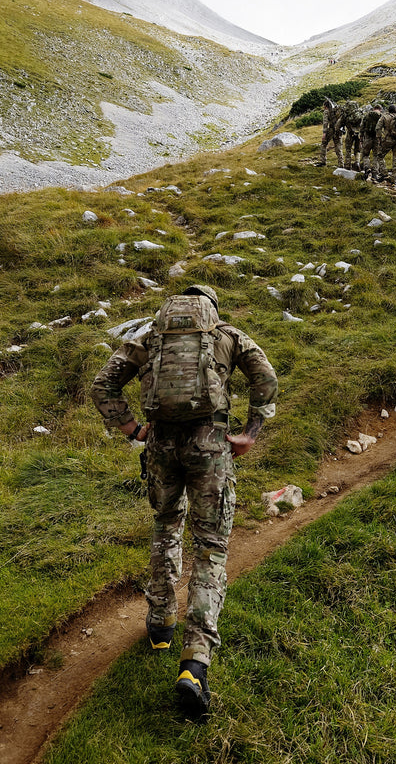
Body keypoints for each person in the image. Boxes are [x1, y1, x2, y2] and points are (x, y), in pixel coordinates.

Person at [91, 284, 278, 717]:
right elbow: (265, 378)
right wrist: (249, 433)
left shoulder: (148, 338)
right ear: (211, 307)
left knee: (166, 524)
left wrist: (133, 429)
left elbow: (104, 385)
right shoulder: (227, 335)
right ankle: (194, 663)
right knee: (210, 547)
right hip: (211, 446)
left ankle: (160, 624)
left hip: (160, 447)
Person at [376, 104, 396, 185]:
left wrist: (379, 138)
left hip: (387, 140)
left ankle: (384, 173)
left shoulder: (384, 117)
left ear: (388, 110)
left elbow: (378, 128)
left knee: (380, 156)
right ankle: (394, 178)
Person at [360, 104, 383, 179]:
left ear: (373, 108)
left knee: (365, 154)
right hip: (377, 138)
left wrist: (361, 138)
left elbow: (362, 127)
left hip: (368, 138)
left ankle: (367, 167)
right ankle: (375, 174)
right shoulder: (381, 116)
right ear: (380, 109)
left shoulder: (367, 115)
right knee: (376, 156)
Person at [319, 97, 343, 167]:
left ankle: (323, 161)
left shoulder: (327, 111)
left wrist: (324, 133)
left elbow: (325, 122)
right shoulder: (336, 111)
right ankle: (341, 163)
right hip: (339, 130)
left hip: (331, 129)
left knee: (324, 144)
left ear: (325, 106)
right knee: (338, 146)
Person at [340, 100, 363, 171]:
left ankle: (347, 165)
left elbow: (340, 123)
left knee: (348, 149)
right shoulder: (359, 113)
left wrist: (338, 130)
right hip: (358, 133)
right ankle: (357, 162)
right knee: (357, 149)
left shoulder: (346, 114)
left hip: (350, 133)